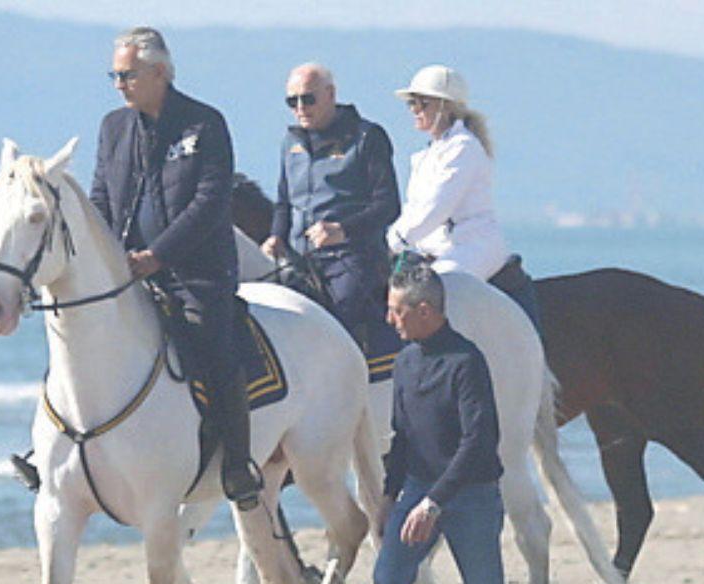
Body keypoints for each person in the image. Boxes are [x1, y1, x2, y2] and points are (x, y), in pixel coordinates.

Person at [89, 26, 260, 510]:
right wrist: (107, 261)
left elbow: (209, 203)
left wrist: (157, 256)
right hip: (128, 271)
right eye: (114, 75)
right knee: (81, 334)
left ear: (160, 72)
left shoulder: (205, 124)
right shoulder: (113, 127)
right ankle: (56, 450)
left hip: (195, 272)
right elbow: (101, 197)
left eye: (128, 74)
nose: (119, 84)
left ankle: (238, 464)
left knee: (214, 342)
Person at [366, 262, 524, 584]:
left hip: (469, 495)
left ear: (424, 310)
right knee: (387, 582)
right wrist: (389, 497)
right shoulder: (404, 361)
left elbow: (478, 442)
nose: (389, 319)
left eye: (396, 311)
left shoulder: (466, 361)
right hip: (417, 488)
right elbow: (402, 437)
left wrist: (435, 503)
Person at [385, 65, 540, 332]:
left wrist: (395, 240)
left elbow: (436, 207)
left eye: (422, 103)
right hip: (435, 250)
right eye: (411, 103)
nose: (414, 109)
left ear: (446, 107)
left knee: (441, 291)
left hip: (472, 246)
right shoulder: (429, 153)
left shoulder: (463, 148)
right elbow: (413, 209)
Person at [262, 62, 401, 337]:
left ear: (330, 94)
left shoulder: (367, 138)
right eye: (292, 100)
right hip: (298, 260)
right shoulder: (290, 143)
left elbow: (388, 205)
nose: (300, 107)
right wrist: (276, 236)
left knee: (339, 318)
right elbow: (284, 203)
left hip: (351, 258)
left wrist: (342, 230)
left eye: (308, 98)